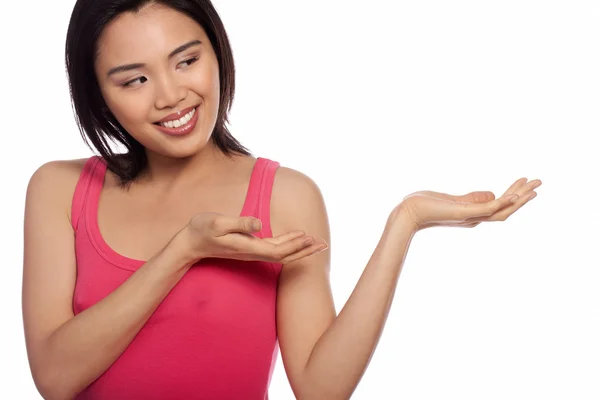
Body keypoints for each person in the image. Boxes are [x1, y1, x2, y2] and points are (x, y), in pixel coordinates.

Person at [21, 0, 542, 399]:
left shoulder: (286, 196)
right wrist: (183, 251)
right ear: (98, 92)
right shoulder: (59, 189)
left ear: (216, 50)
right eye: (134, 79)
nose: (169, 96)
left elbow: (320, 388)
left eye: (186, 61)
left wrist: (405, 222)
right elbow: (54, 378)